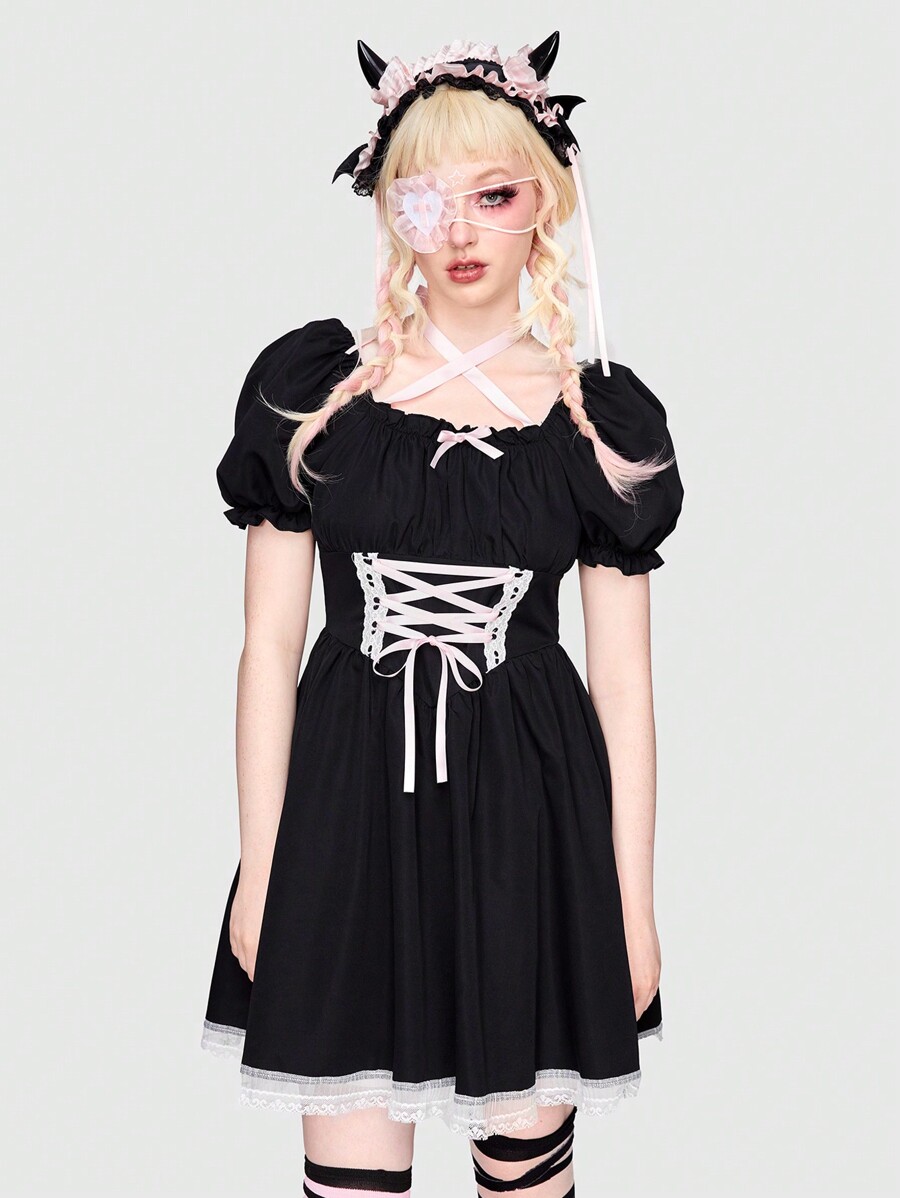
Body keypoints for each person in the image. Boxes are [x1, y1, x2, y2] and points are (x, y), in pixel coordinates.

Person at [200, 34, 684, 1198]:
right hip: (347, 810)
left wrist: (632, 904)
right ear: (388, 209)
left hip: (532, 816)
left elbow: (624, 687)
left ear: (546, 201)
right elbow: (267, 649)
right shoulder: (312, 394)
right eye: (424, 198)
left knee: (526, 1172)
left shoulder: (599, 420)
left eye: (493, 195)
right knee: (350, 1177)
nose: (459, 229)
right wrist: (261, 867)